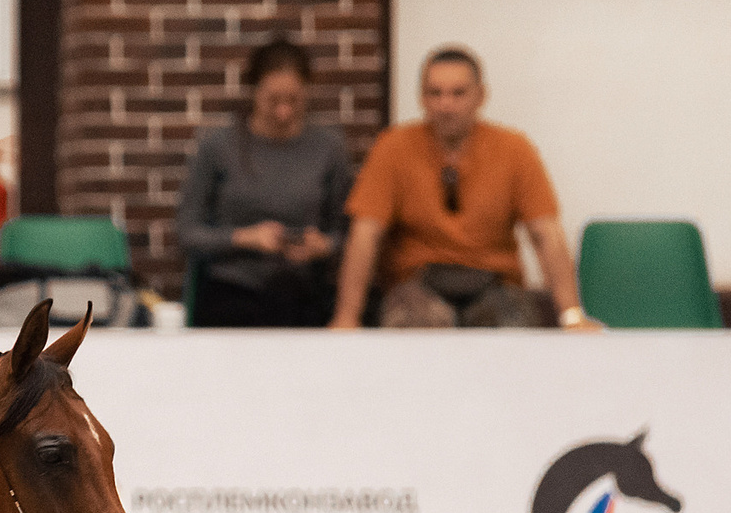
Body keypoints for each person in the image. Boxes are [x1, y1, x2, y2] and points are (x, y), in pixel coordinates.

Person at [329, 46, 596, 331]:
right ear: (422, 98)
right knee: (413, 329)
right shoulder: (393, 148)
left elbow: (545, 234)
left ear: (480, 96)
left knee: (513, 329)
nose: (446, 104)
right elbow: (365, 234)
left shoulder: (514, 149)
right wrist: (347, 317)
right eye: (435, 93)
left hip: (496, 283)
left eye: (458, 93)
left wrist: (572, 315)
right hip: (416, 284)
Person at [175, 37, 355, 326]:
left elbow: (346, 233)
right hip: (231, 291)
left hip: (303, 293)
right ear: (254, 92)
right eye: (273, 100)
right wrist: (246, 238)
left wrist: (321, 246)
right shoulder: (220, 147)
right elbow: (187, 231)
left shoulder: (328, 149)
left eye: (293, 100)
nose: (283, 112)